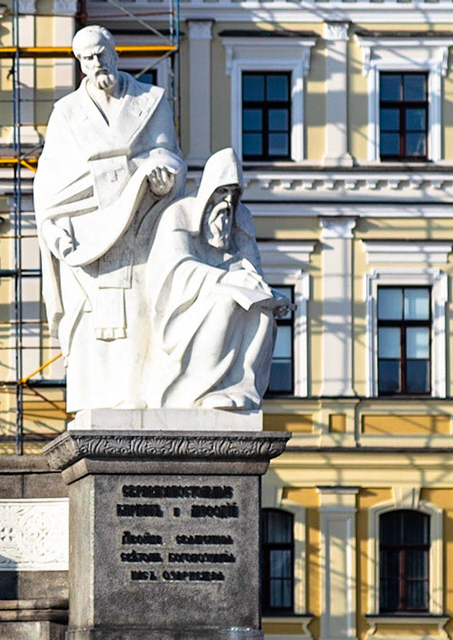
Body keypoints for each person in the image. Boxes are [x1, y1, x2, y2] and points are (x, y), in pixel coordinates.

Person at [34, 27, 184, 410]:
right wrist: (57, 227)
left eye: (101, 54)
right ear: (79, 63)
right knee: (92, 319)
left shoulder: (151, 100)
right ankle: (97, 401)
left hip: (139, 225)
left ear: (115, 53)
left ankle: (139, 395)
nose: (96, 64)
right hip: (87, 230)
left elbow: (168, 153)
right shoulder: (66, 113)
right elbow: (50, 177)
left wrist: (163, 173)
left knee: (140, 310)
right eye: (87, 58)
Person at [144, 149, 283, 410]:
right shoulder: (180, 213)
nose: (228, 201)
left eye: (233, 194)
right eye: (222, 192)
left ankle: (241, 389)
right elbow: (175, 268)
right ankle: (200, 389)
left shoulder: (241, 219)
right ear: (209, 189)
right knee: (226, 303)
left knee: (262, 311)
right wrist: (227, 281)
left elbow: (251, 270)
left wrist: (271, 295)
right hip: (184, 305)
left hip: (225, 294)